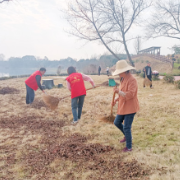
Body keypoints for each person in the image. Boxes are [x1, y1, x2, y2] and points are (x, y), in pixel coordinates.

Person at [112, 60, 139, 152]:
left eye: (120, 72)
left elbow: (130, 94)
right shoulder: (122, 79)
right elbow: (122, 92)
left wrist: (118, 92)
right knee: (116, 122)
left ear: (124, 71)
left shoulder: (132, 80)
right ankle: (128, 136)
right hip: (122, 106)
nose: (118, 74)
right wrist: (117, 98)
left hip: (130, 107)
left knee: (127, 126)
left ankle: (129, 147)